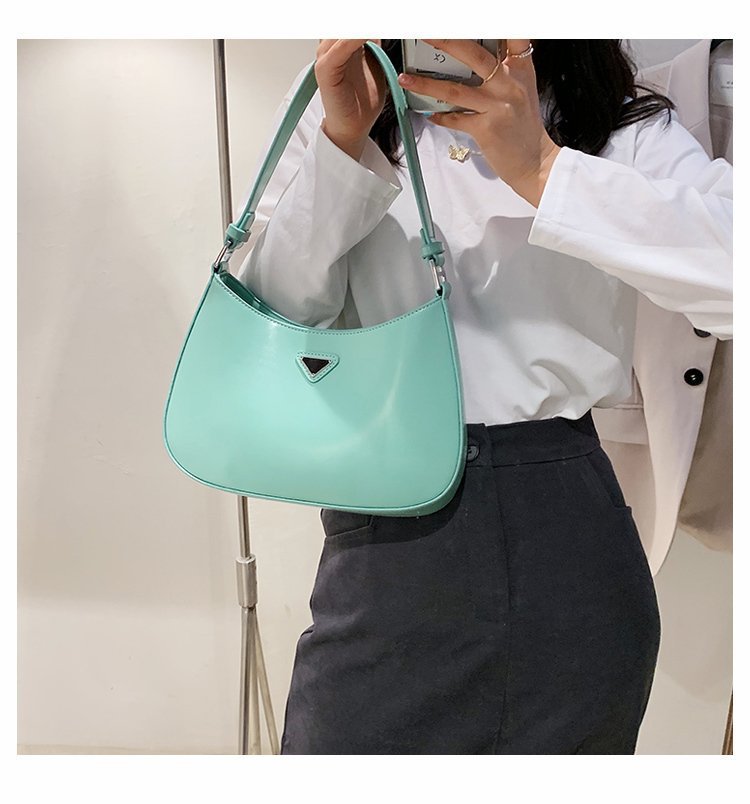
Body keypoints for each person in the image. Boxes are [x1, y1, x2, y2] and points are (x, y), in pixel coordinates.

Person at [234, 39, 733, 754]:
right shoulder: (338, 103)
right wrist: (342, 148)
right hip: (387, 536)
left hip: (568, 543)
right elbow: (268, 321)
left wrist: (544, 169)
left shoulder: (608, 116)